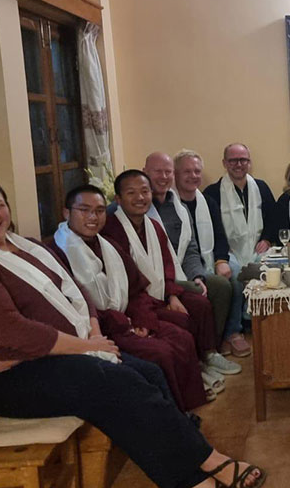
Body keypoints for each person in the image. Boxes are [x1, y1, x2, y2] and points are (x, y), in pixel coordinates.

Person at [0, 176, 266, 488]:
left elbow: (74, 289)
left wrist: (93, 330)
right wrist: (85, 347)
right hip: (7, 378)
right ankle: (198, 473)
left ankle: (189, 466)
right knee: (119, 382)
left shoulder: (22, 247)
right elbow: (15, 332)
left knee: (149, 373)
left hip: (56, 355)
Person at [46, 184, 209, 410]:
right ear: (66, 213)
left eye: (100, 210)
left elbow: (136, 289)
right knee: (159, 352)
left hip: (127, 316)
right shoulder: (55, 252)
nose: (93, 217)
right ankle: (169, 414)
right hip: (101, 329)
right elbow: (70, 307)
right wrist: (125, 324)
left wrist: (143, 320)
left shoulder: (108, 246)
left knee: (181, 337)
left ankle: (186, 406)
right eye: (84, 210)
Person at [101, 170, 238, 396]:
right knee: (182, 320)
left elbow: (167, 265)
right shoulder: (111, 230)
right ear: (118, 199)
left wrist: (172, 295)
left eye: (145, 192)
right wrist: (160, 302)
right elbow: (127, 281)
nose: (140, 198)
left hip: (161, 291)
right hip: (134, 301)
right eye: (131, 193)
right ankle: (194, 370)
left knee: (200, 305)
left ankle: (206, 357)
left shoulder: (153, 226)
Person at [144, 151, 237, 368]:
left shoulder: (178, 206)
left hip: (185, 270)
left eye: (167, 172)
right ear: (145, 173)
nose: (163, 177)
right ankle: (202, 353)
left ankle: (211, 350)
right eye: (158, 172)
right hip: (157, 276)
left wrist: (198, 274)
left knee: (221, 286)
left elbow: (191, 248)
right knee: (198, 295)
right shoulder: (140, 207)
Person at [174, 149, 250, 357]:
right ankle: (219, 340)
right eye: (187, 172)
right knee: (227, 284)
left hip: (208, 259)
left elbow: (219, 237)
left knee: (234, 274)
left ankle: (232, 333)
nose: (193, 176)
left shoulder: (207, 201)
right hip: (181, 265)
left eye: (197, 171)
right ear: (175, 174)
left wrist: (220, 260)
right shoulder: (169, 204)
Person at [203, 143, 278, 267]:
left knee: (270, 270)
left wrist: (267, 239)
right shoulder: (212, 193)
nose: (238, 164)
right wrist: (222, 255)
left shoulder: (261, 187)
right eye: (233, 160)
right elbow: (211, 230)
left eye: (243, 160)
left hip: (258, 250)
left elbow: (273, 218)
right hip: (228, 253)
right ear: (224, 163)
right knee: (235, 273)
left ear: (249, 163)